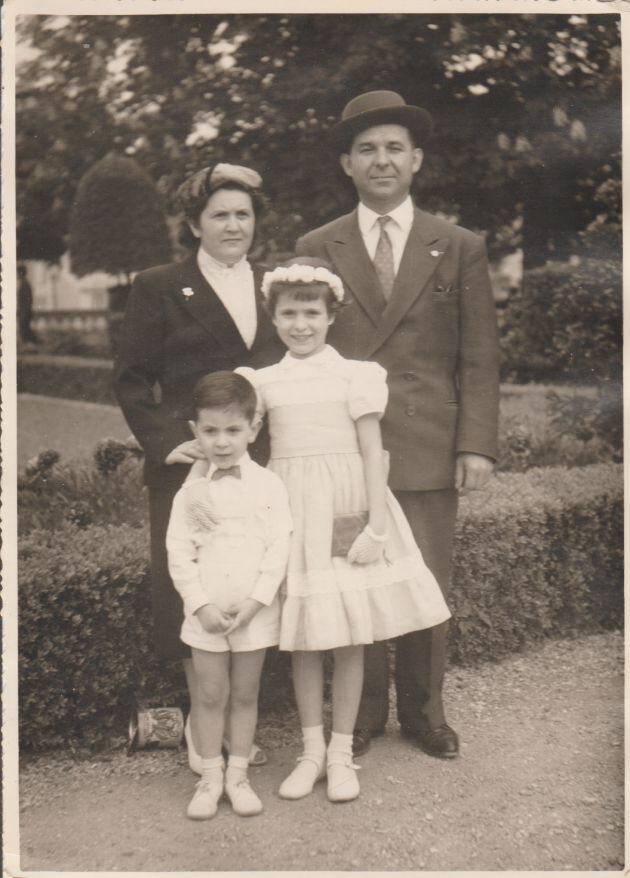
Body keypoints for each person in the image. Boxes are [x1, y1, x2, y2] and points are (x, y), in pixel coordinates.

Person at [295, 91, 500, 760]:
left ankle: (423, 713)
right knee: (351, 578)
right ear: (346, 164)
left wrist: (474, 444)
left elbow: (478, 356)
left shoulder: (459, 245)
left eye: (393, 148)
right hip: (344, 448)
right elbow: (302, 345)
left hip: (426, 444)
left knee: (426, 584)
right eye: (366, 150)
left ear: (415, 160)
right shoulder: (317, 245)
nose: (380, 160)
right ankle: (357, 717)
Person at [236, 257, 450, 803]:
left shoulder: (355, 375)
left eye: (311, 312)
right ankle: (310, 753)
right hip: (294, 512)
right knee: (305, 636)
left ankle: (340, 752)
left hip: (347, 506)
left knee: (352, 633)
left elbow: (371, 452)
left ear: (331, 317)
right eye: (289, 313)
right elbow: (235, 441)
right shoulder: (263, 382)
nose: (300, 324)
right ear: (274, 318)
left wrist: (377, 525)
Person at [114, 163, 285, 773]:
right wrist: (166, 443)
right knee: (196, 588)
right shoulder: (161, 284)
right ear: (194, 224)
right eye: (220, 214)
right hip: (190, 467)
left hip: (262, 465)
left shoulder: (275, 283)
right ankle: (201, 727)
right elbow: (133, 380)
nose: (233, 225)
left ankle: (241, 726)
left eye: (243, 214)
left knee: (255, 580)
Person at [166, 371, 292, 819]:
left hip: (252, 614)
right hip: (206, 616)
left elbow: (279, 548)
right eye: (211, 431)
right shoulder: (193, 493)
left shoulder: (270, 486)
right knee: (209, 695)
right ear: (195, 432)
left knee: (245, 693)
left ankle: (238, 776)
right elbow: (179, 553)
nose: (222, 442)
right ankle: (210, 778)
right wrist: (200, 606)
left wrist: (257, 601)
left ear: (253, 430)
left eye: (233, 430)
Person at [17, 263, 38, 345]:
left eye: (18, 273)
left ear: (22, 273)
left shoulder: (25, 284)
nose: (17, 275)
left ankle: (33, 345)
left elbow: (28, 300)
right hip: (23, 312)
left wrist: (24, 313)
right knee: (24, 330)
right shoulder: (23, 284)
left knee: (24, 330)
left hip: (25, 312)